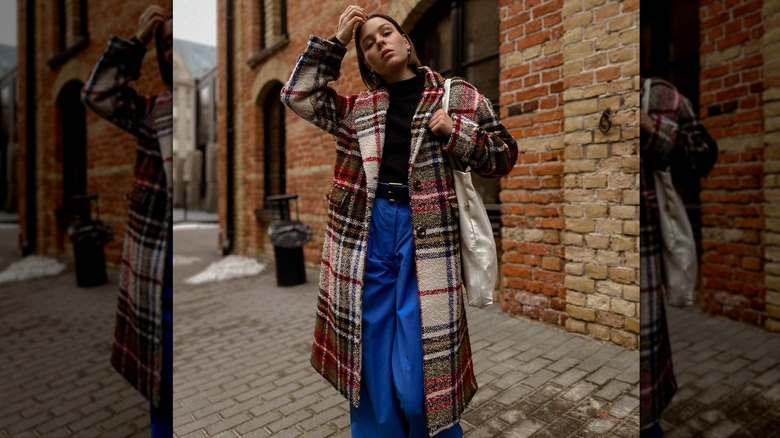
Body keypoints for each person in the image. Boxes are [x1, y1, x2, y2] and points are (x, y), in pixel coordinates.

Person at [281, 5, 518, 437]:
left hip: (426, 237)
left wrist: (455, 132)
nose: (379, 43)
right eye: (368, 44)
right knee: (369, 359)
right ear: (367, 62)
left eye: (386, 33)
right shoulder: (358, 109)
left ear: (406, 42)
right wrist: (337, 42)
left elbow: (503, 156)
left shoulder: (455, 96)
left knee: (421, 377)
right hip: (366, 235)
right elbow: (298, 94)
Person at [81, 5, 173, 437]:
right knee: (163, 380)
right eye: (165, 45)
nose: (172, 52)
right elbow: (97, 94)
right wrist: (136, 44)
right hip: (159, 268)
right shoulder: (153, 111)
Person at [639, 77, 717, 437]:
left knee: (645, 388)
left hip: (647, 254)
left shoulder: (663, 96)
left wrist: (650, 126)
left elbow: (703, 154)